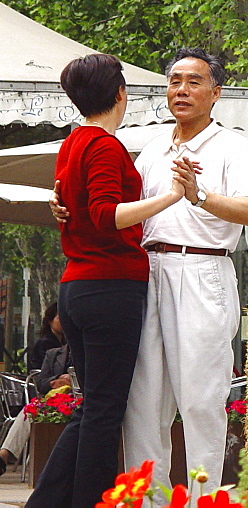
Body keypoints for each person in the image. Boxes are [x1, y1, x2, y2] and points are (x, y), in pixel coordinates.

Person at [50, 47, 248, 495]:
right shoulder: (149, 149)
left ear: (215, 92)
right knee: (142, 405)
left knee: (202, 400)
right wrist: (67, 206)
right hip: (145, 273)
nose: (182, 90)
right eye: (174, 81)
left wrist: (198, 194)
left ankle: (205, 500)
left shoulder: (232, 145)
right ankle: (148, 501)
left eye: (193, 82)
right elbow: (116, 209)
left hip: (204, 270)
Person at [28, 53, 185, 508]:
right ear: (120, 93)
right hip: (109, 286)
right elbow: (104, 214)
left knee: (91, 405)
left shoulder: (73, 143)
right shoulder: (103, 146)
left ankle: (47, 501)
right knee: (103, 410)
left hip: (77, 286)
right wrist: (170, 197)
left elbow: (73, 207)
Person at [0, 344, 72, 475]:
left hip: (79, 402)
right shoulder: (53, 353)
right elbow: (41, 384)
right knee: (29, 411)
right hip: (53, 401)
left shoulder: (93, 352)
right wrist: (54, 381)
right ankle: (4, 456)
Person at [27, 302, 63, 372]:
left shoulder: (65, 341)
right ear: (50, 320)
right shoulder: (45, 343)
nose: (64, 321)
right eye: (59, 318)